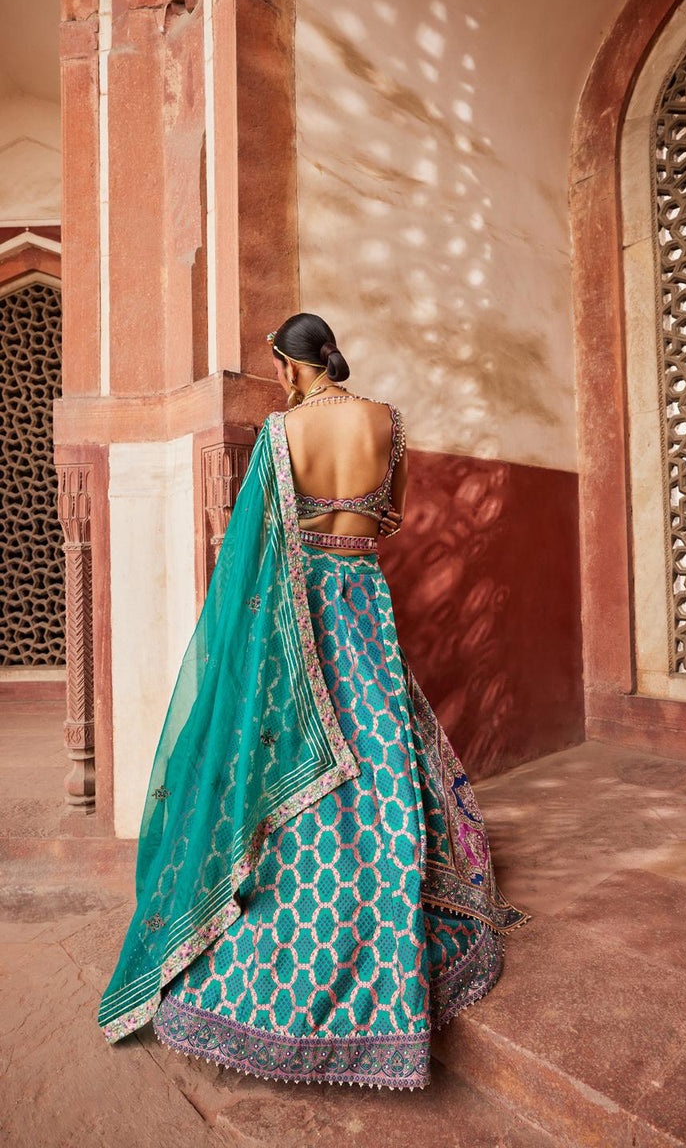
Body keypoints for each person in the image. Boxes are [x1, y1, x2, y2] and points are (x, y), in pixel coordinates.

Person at [98, 312, 530, 1090]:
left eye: (277, 369)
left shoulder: (280, 433)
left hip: (301, 613)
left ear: (289, 366)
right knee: (381, 742)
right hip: (363, 597)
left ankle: (292, 940)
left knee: (290, 755)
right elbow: (387, 520)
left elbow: (255, 549)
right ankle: (392, 917)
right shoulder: (388, 424)